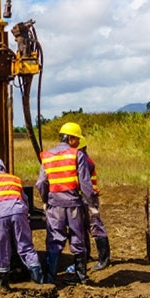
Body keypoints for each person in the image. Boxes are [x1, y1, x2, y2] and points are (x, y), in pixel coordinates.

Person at [36, 121, 97, 285]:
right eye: (77, 139)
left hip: (54, 204)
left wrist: (45, 200)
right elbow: (85, 184)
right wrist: (92, 204)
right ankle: (81, 277)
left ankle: (50, 277)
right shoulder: (77, 155)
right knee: (78, 239)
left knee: (55, 240)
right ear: (70, 138)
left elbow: (41, 183)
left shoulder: (47, 156)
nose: (78, 143)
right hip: (73, 204)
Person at [0, 156, 43, 290]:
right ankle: (38, 279)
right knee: (25, 244)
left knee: (2, 247)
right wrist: (25, 215)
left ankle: (4, 284)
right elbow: (24, 198)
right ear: (3, 168)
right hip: (19, 210)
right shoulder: (14, 178)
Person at [79, 136, 111, 270]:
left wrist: (91, 204)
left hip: (88, 198)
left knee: (95, 226)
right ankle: (87, 256)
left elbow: (85, 184)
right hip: (83, 197)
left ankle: (103, 259)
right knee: (82, 227)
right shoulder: (83, 159)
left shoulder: (84, 161)